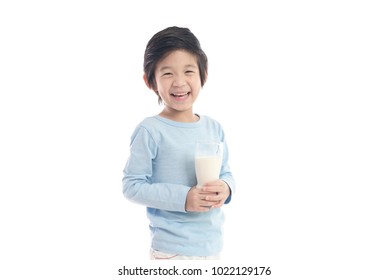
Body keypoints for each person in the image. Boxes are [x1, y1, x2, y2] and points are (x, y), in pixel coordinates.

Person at [122, 26, 235, 260]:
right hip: (171, 252)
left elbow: (226, 172)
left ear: (204, 74)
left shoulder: (214, 127)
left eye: (188, 71)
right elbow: (132, 186)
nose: (179, 82)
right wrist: (184, 198)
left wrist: (227, 188)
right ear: (149, 81)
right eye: (167, 73)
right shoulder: (150, 130)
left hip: (213, 248)